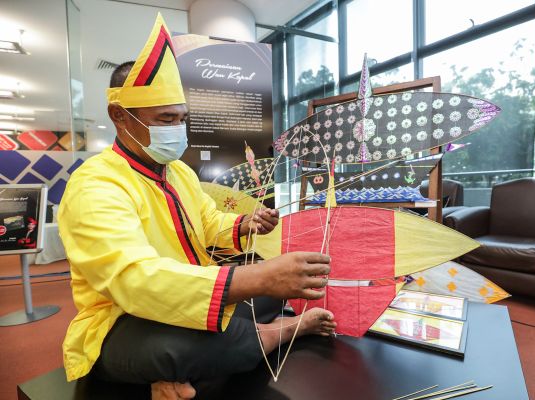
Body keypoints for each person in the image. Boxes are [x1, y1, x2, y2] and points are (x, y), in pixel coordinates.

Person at [58, 14, 336, 400]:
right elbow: (133, 279)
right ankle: (283, 331)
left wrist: (245, 223)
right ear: (119, 116)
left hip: (191, 297)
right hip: (123, 320)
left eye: (182, 118)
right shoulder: (95, 184)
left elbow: (207, 221)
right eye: (166, 119)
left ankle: (202, 361)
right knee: (175, 349)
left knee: (268, 295)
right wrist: (259, 277)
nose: (178, 129)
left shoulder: (179, 173)